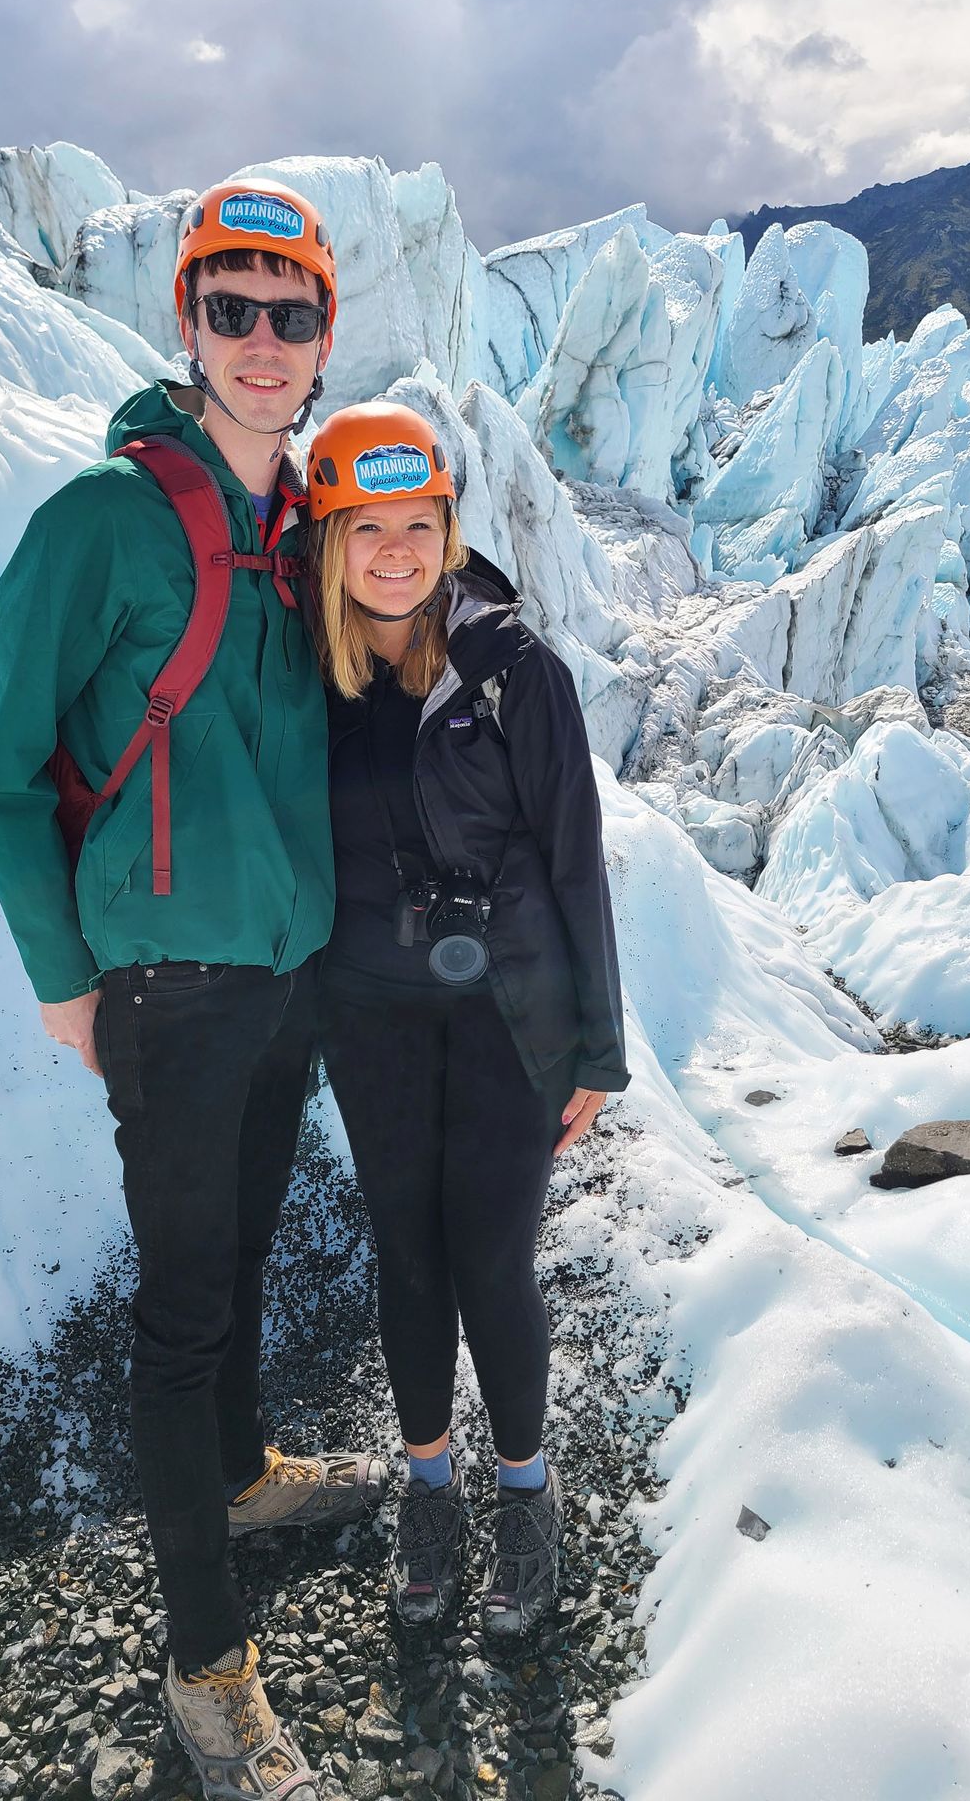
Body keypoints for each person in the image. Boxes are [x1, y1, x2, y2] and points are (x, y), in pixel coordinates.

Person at [0, 179, 386, 1801]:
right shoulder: (100, 521)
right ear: (186, 323)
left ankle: (240, 1472)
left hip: (286, 980)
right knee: (181, 1310)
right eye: (235, 308)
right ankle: (209, 1676)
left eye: (293, 314)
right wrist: (62, 978)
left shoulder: (307, 530)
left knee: (247, 1248)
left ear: (325, 335)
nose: (266, 343)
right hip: (166, 989)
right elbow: (7, 769)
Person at [305, 401, 631, 1641]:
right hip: (370, 1013)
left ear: (451, 529)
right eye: (368, 526)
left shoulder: (515, 673)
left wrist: (595, 1047)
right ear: (331, 542)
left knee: (490, 1257)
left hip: (505, 1015)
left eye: (419, 523)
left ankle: (526, 1490)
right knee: (408, 1252)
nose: (396, 549)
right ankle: (429, 1484)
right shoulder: (311, 681)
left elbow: (574, 858)